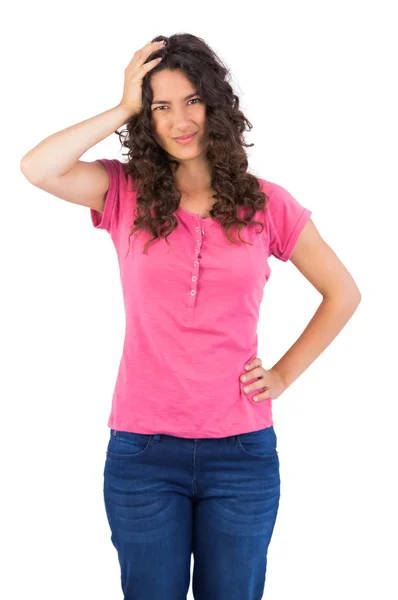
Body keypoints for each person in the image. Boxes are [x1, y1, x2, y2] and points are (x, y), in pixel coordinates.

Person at [20, 32, 361, 600]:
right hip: (143, 453)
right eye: (160, 106)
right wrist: (124, 104)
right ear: (146, 118)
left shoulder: (266, 202)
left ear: (216, 105)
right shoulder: (124, 192)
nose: (180, 120)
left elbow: (343, 293)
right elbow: (37, 167)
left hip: (242, 455)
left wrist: (282, 375)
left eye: (191, 101)